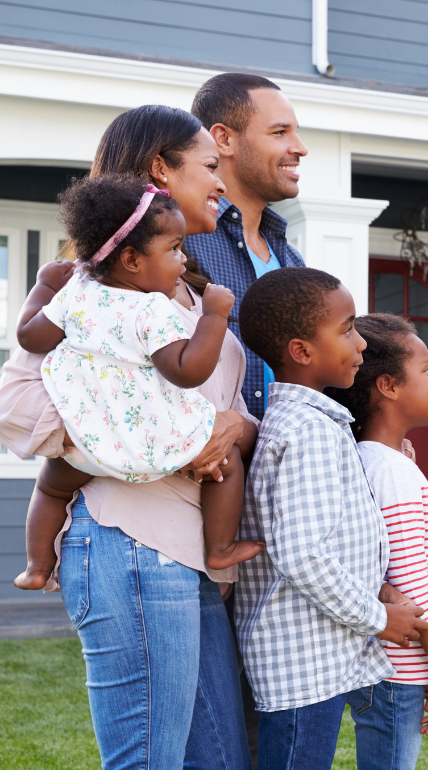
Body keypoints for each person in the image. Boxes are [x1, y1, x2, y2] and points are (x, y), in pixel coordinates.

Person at [0, 104, 258, 769]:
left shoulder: (189, 297)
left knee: (219, 761)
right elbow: (16, 405)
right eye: (209, 166)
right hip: (131, 549)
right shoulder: (86, 291)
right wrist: (131, 446)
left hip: (191, 559)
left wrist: (231, 428)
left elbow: (221, 410)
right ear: (159, 172)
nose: (221, 183)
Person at [12, 173, 264, 592]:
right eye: (174, 249)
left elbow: (29, 336)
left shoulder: (76, 293)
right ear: (131, 260)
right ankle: (220, 547)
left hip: (90, 438)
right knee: (227, 464)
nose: (182, 261)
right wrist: (215, 317)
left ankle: (38, 566)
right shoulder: (152, 309)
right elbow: (187, 370)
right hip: (157, 441)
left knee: (51, 488)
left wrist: (44, 286)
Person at [234, 268, 428, 770]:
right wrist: (380, 617)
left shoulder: (310, 423)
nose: (361, 342)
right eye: (346, 330)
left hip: (311, 657)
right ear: (302, 351)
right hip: (303, 665)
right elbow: (302, 554)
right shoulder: (310, 433)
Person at [327, 313, 428, 770]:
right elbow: (412, 585)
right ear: (388, 386)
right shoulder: (392, 472)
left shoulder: (369, 460)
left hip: (379, 663)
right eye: (426, 370)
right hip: (400, 669)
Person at [185, 73, 307, 420]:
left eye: (296, 132)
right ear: (223, 139)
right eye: (280, 132)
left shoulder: (292, 261)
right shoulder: (180, 243)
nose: (299, 147)